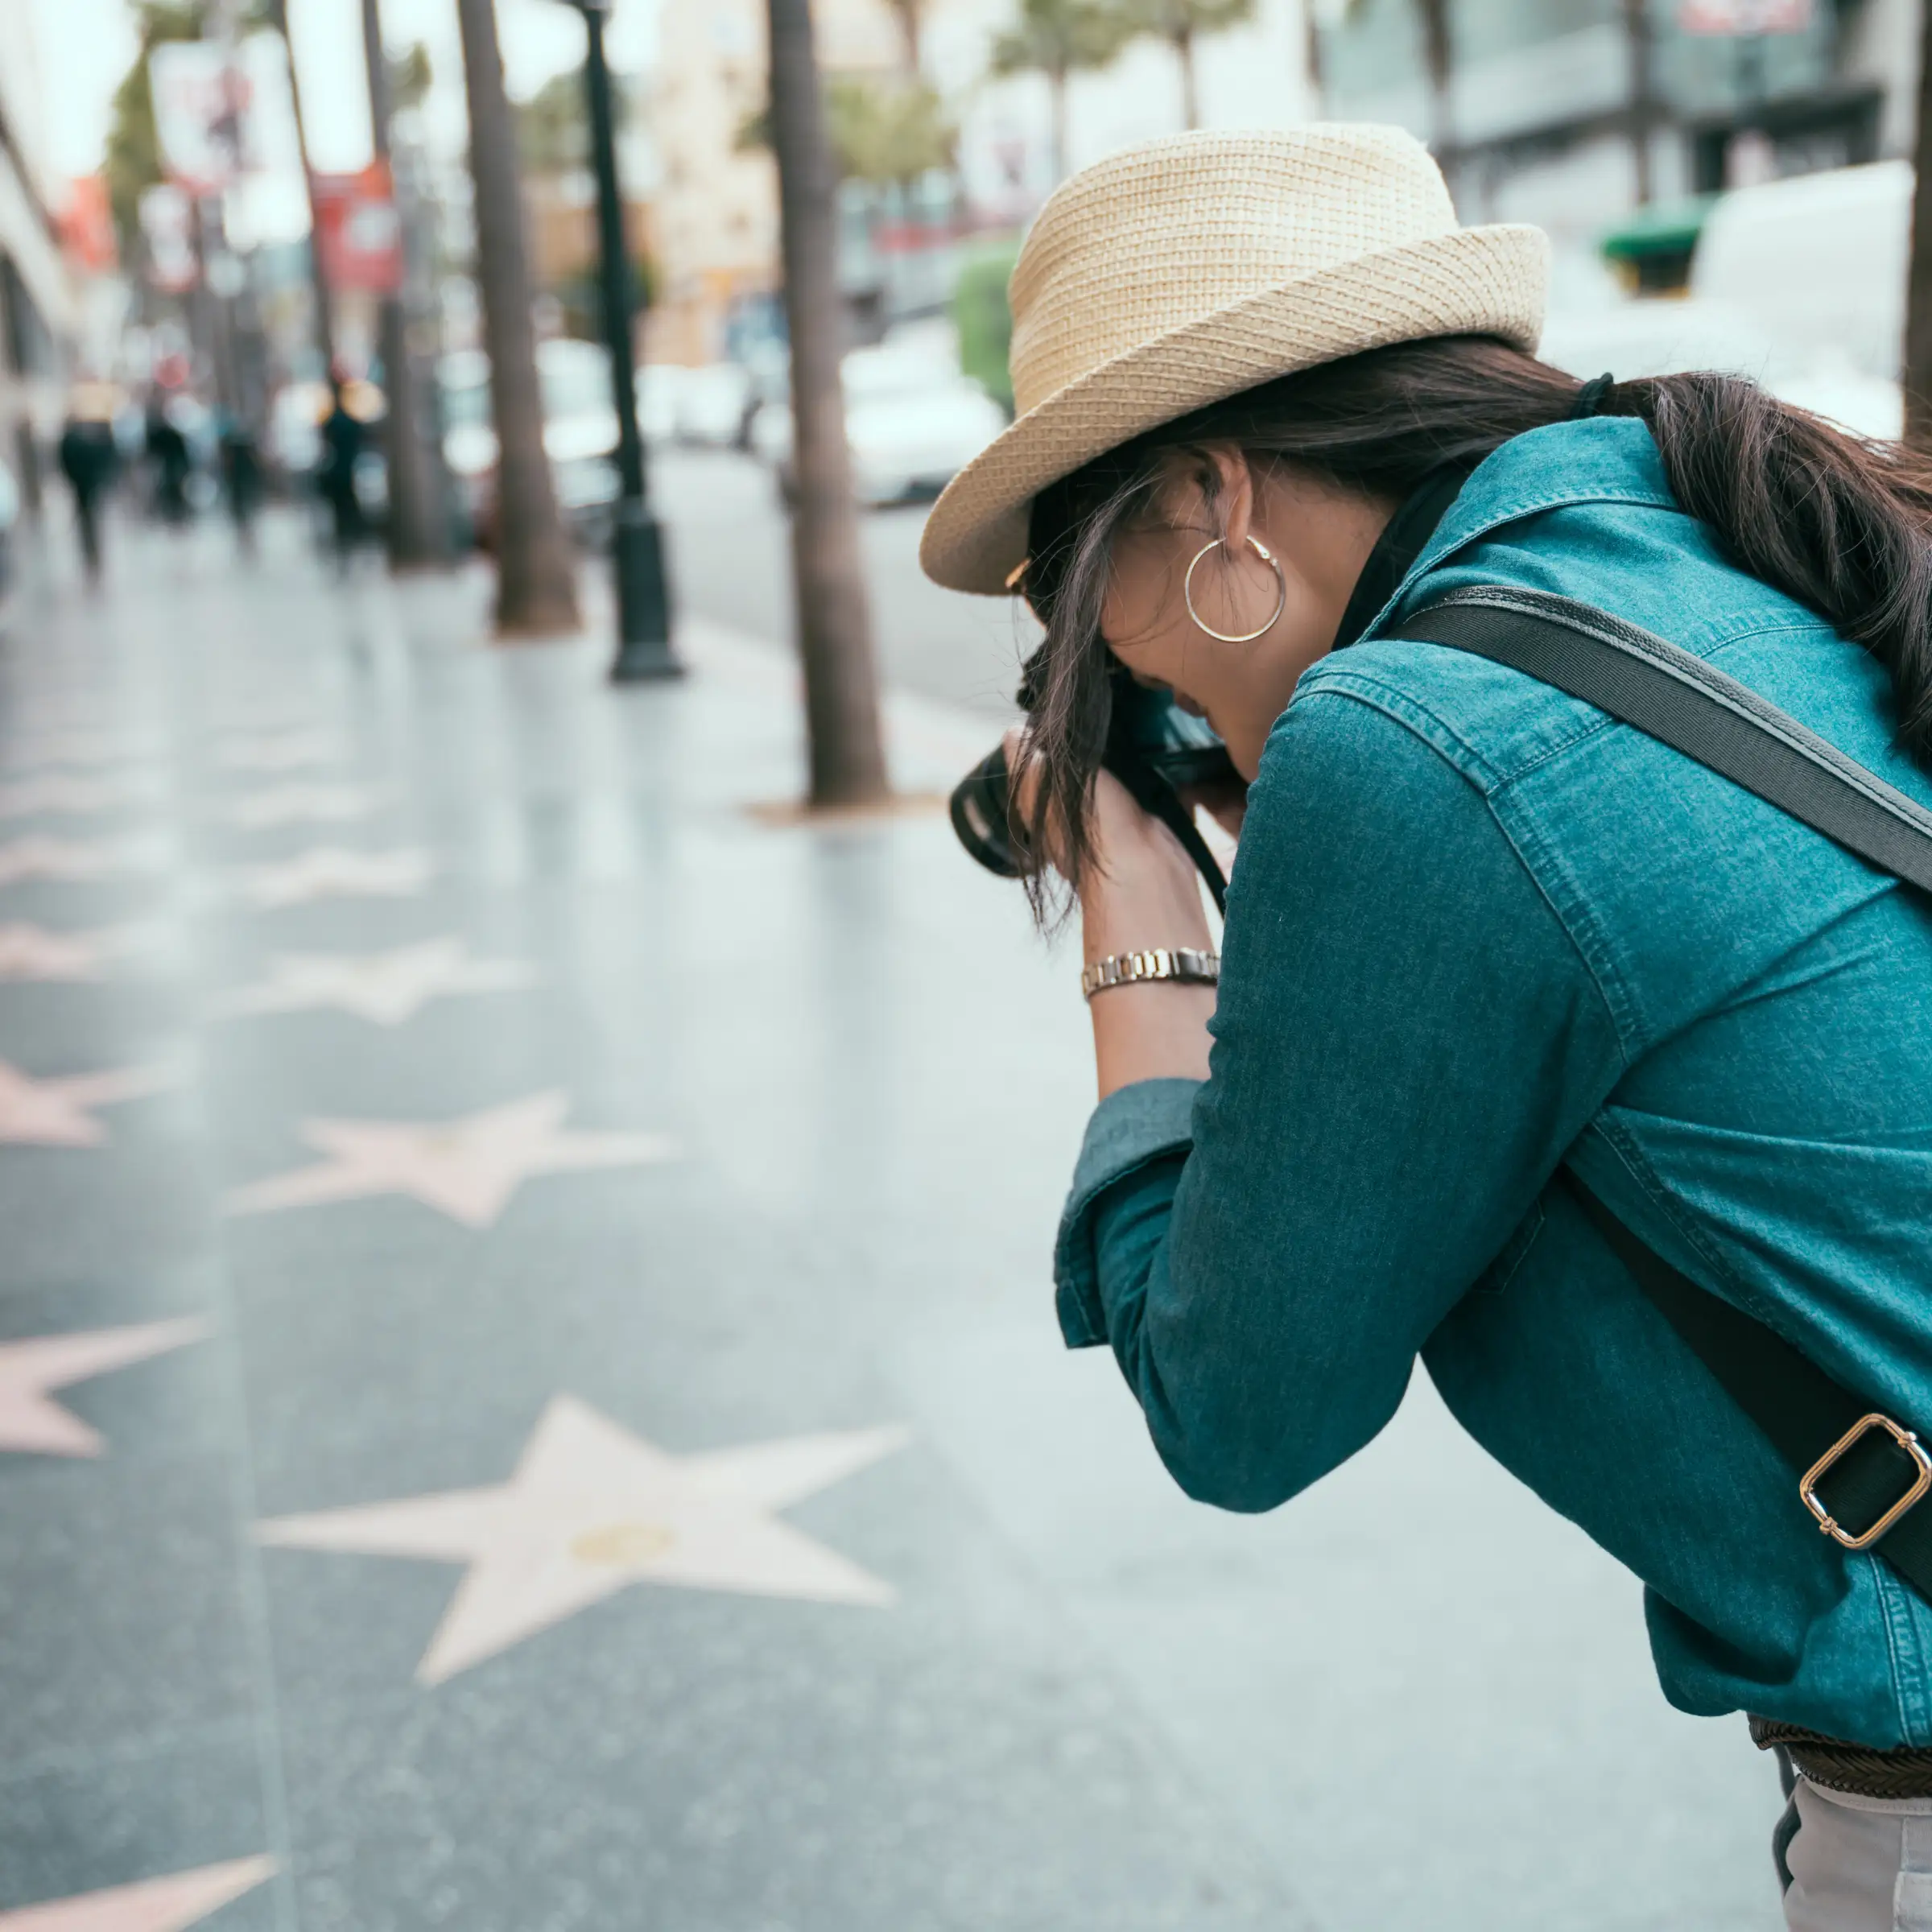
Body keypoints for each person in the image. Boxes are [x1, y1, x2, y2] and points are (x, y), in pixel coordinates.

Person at [919, 126, 1932, 1929]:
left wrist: (1144, 926)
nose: (1130, 681)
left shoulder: (1409, 741)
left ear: (1209, 502)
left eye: (1089, 615)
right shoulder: (1719, 542)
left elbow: (1237, 1414)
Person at [56, 389, 119, 583]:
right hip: (84, 486)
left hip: (84, 485)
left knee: (89, 520)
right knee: (88, 520)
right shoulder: (77, 439)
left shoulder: (78, 439)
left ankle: (93, 551)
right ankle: (92, 552)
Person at [316, 378, 365, 572]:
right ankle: (349, 540)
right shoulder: (350, 421)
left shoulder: (332, 421)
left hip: (339, 473)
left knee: (341, 511)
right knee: (348, 510)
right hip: (346, 473)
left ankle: (345, 541)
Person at [144, 396, 192, 527]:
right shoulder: (159, 433)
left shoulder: (173, 433)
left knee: (174, 495)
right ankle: (171, 517)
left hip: (172, 470)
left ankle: (176, 518)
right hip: (167, 470)